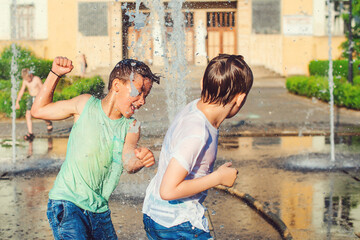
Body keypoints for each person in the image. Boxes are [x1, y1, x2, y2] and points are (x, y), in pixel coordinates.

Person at [31, 56, 160, 240]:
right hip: (68, 204)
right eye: (138, 92)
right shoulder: (85, 105)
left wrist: (139, 160)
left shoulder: (132, 126)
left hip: (99, 211)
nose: (142, 101)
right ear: (117, 85)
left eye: (145, 96)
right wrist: (55, 74)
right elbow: (38, 110)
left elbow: (128, 161)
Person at [142, 54, 253, 239]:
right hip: (176, 224)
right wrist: (217, 178)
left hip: (157, 215)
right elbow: (168, 190)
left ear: (203, 83)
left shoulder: (195, 108)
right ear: (240, 98)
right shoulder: (197, 133)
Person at [15, 68, 53, 141]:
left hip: (38, 97)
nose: (27, 80)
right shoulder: (25, 81)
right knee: (28, 114)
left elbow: (43, 89)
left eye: (28, 78)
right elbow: (22, 91)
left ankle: (48, 122)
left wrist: (47, 98)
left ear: (31, 75)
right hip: (31, 97)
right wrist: (17, 101)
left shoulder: (36, 79)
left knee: (41, 114)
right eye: (25, 79)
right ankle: (30, 133)